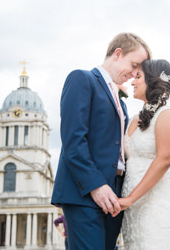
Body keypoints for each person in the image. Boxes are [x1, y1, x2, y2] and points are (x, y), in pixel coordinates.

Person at [51, 32, 151, 250]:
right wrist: (95, 185)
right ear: (118, 54)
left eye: (138, 71)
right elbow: (73, 140)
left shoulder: (121, 102)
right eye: (134, 65)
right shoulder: (82, 79)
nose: (134, 75)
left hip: (114, 194)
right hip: (84, 192)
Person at [116, 59, 170, 249]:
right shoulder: (133, 119)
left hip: (160, 201)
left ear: (153, 80)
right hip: (133, 206)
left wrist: (131, 198)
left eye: (138, 77)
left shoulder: (166, 114)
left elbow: (165, 159)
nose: (132, 82)